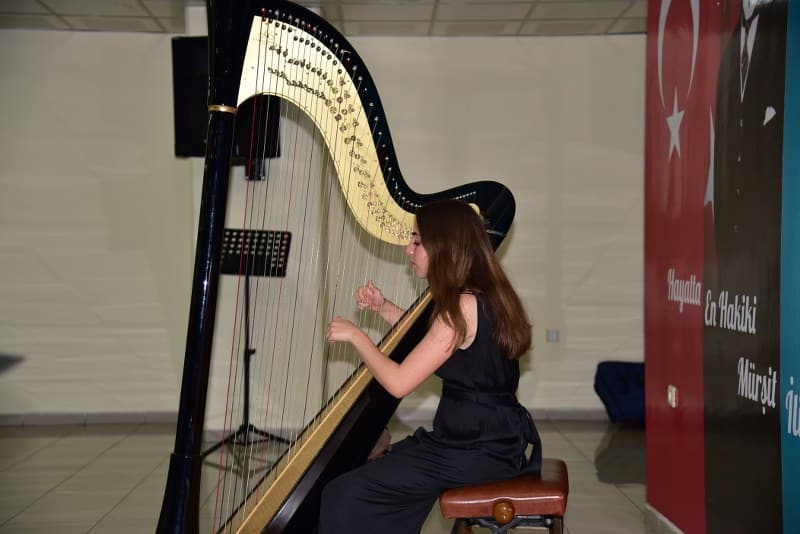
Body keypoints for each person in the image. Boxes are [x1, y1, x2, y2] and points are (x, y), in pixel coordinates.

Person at [319, 199, 541, 534]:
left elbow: (398, 382)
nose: (409, 250)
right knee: (371, 467)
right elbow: (435, 345)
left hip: (475, 451)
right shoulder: (478, 295)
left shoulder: (463, 306)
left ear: (443, 246)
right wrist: (383, 308)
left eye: (417, 241)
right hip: (484, 439)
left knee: (344, 493)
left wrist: (356, 336)